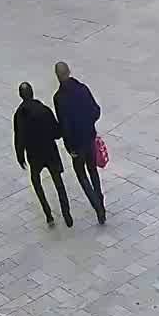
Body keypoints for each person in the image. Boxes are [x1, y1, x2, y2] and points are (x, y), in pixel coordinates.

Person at [13, 82, 73, 228]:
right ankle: (66, 214)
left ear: (21, 96)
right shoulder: (44, 110)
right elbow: (57, 132)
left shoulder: (19, 115)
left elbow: (18, 138)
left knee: (36, 181)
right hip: (49, 151)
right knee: (58, 182)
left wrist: (20, 156)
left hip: (34, 155)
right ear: (32, 93)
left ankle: (48, 214)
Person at [52, 61, 106, 224]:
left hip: (76, 144)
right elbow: (96, 110)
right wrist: (89, 124)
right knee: (92, 170)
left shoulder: (59, 98)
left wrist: (69, 146)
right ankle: (100, 200)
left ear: (57, 76)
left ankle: (97, 206)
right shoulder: (82, 89)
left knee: (81, 174)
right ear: (69, 71)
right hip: (89, 137)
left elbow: (64, 125)